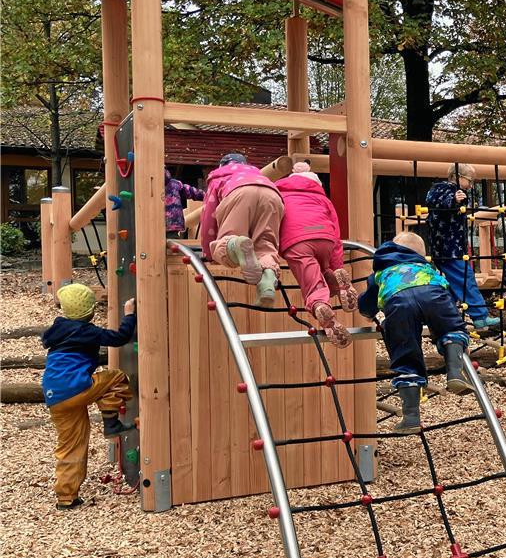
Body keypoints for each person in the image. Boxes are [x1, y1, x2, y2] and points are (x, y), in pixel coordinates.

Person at [358, 232, 473, 434]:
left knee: (406, 354)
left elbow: (366, 304)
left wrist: (368, 313)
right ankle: (455, 372)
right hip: (434, 294)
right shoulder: (428, 268)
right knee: (452, 329)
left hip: (398, 302)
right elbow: (448, 294)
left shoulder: (382, 271)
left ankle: (411, 416)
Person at [41, 284, 136, 510]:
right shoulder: (87, 331)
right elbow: (120, 337)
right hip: (76, 388)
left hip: (54, 396)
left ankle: (66, 497)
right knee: (115, 378)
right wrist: (129, 315)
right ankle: (111, 421)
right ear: (91, 311)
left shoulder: (57, 329)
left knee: (70, 444)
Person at [276, 162, 357, 348]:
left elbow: (271, 219)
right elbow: (337, 236)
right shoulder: (323, 199)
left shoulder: (280, 195)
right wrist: (338, 267)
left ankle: (321, 305)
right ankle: (338, 282)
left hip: (297, 241)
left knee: (312, 283)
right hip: (325, 238)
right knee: (325, 268)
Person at [199, 152, 284, 304]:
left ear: (222, 166)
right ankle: (267, 283)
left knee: (229, 238)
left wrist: (209, 252)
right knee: (265, 246)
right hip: (273, 195)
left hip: (239, 193)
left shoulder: (219, 177)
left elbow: (208, 216)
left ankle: (234, 244)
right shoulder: (259, 175)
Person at [424, 164, 500, 331]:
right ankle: (480, 316)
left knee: (452, 285)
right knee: (466, 279)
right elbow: (437, 203)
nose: (471, 185)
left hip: (449, 247)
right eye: (470, 181)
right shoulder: (443, 189)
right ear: (457, 177)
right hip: (448, 248)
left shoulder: (455, 192)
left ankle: (445, 318)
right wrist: (453, 200)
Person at [164, 168, 204, 239]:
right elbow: (192, 192)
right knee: (173, 244)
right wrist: (208, 196)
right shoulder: (175, 184)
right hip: (173, 224)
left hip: (154, 224)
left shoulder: (148, 185)